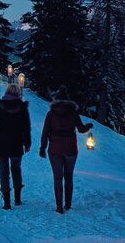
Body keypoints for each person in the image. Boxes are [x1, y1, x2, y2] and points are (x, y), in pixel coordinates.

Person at [38, 85, 93, 214]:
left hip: (55, 149)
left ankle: (59, 206)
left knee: (57, 178)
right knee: (69, 177)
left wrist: (42, 147)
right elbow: (81, 130)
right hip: (70, 148)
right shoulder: (73, 113)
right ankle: (68, 204)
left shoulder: (51, 114)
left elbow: (45, 132)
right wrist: (88, 126)